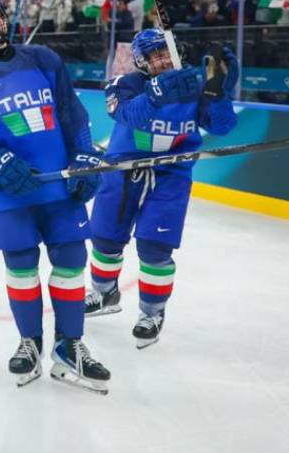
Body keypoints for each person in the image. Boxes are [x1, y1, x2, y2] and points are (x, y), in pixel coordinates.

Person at [0, 0, 111, 394]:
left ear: (5, 19)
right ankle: (29, 341)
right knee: (21, 266)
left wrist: (85, 156)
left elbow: (73, 115)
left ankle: (69, 345)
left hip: (57, 185)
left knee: (72, 259)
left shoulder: (42, 59)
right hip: (5, 192)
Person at [86, 30, 238, 347]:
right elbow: (128, 114)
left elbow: (222, 127)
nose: (162, 59)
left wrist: (219, 93)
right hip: (123, 172)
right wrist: (157, 93)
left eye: (166, 52)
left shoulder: (193, 86)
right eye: (154, 55)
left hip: (171, 176)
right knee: (104, 237)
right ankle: (104, 292)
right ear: (141, 61)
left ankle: (152, 312)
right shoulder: (123, 84)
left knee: (155, 247)